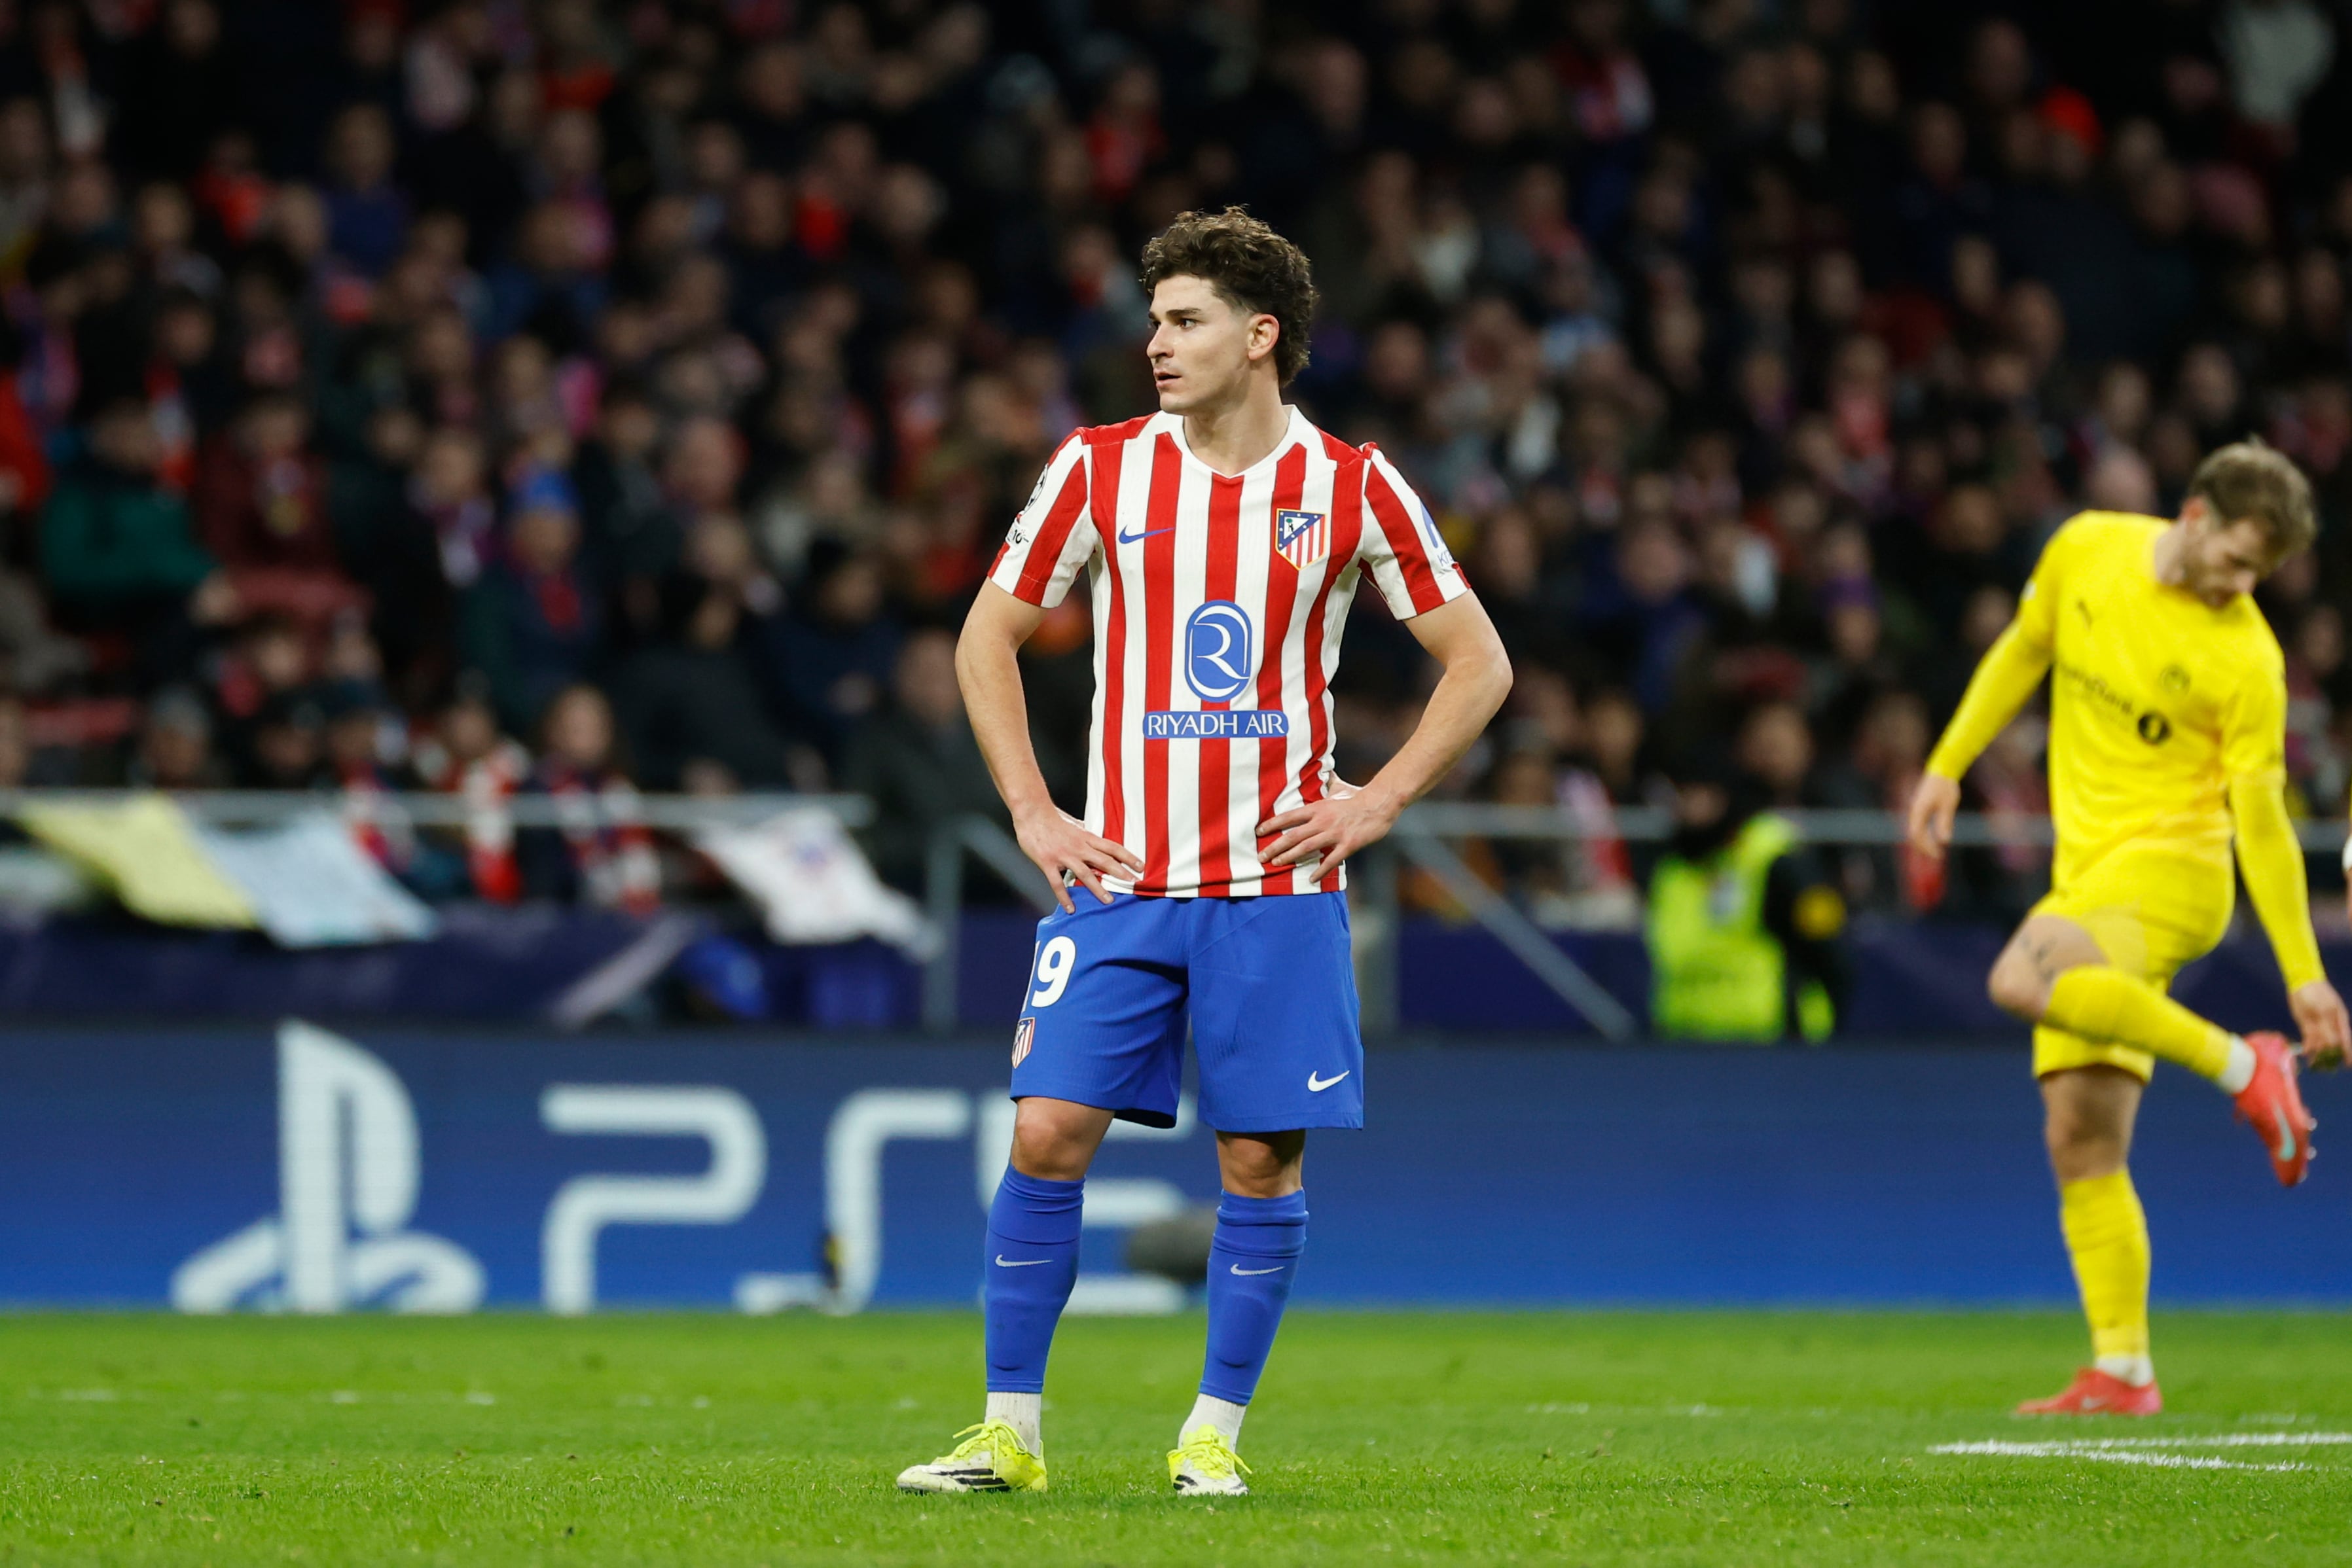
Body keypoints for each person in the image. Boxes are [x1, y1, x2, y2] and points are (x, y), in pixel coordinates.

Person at [896, 208, 1511, 1497]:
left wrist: (1375, 798)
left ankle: (1209, 1437)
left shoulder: (1349, 486)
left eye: (1182, 321)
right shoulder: (1099, 469)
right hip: (1121, 881)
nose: (1155, 344)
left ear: (1258, 334)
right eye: (1155, 318)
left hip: (1278, 891)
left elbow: (1478, 661)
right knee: (1047, 1130)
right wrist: (1028, 809)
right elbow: (981, 637)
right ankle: (1008, 1430)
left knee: (1254, 1159)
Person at [1906, 439, 2351, 1417]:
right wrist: (1946, 763)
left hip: (2177, 875)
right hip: (2087, 879)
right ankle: (2124, 1369)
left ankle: (2248, 1068)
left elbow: (2264, 823)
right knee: (2081, 1139)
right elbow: (2024, 650)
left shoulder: (2248, 659)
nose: (2244, 584)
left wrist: (2303, 973)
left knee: (2019, 977)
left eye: (2261, 572)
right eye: (2236, 558)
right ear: (2194, 517)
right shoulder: (2086, 548)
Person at [1647, 752, 1847, 1042]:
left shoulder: (1777, 857)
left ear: (1725, 796)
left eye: (1699, 793)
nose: (1687, 806)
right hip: (1684, 1039)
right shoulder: (1672, 871)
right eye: (1682, 794)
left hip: (1770, 1038)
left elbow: (1832, 952)